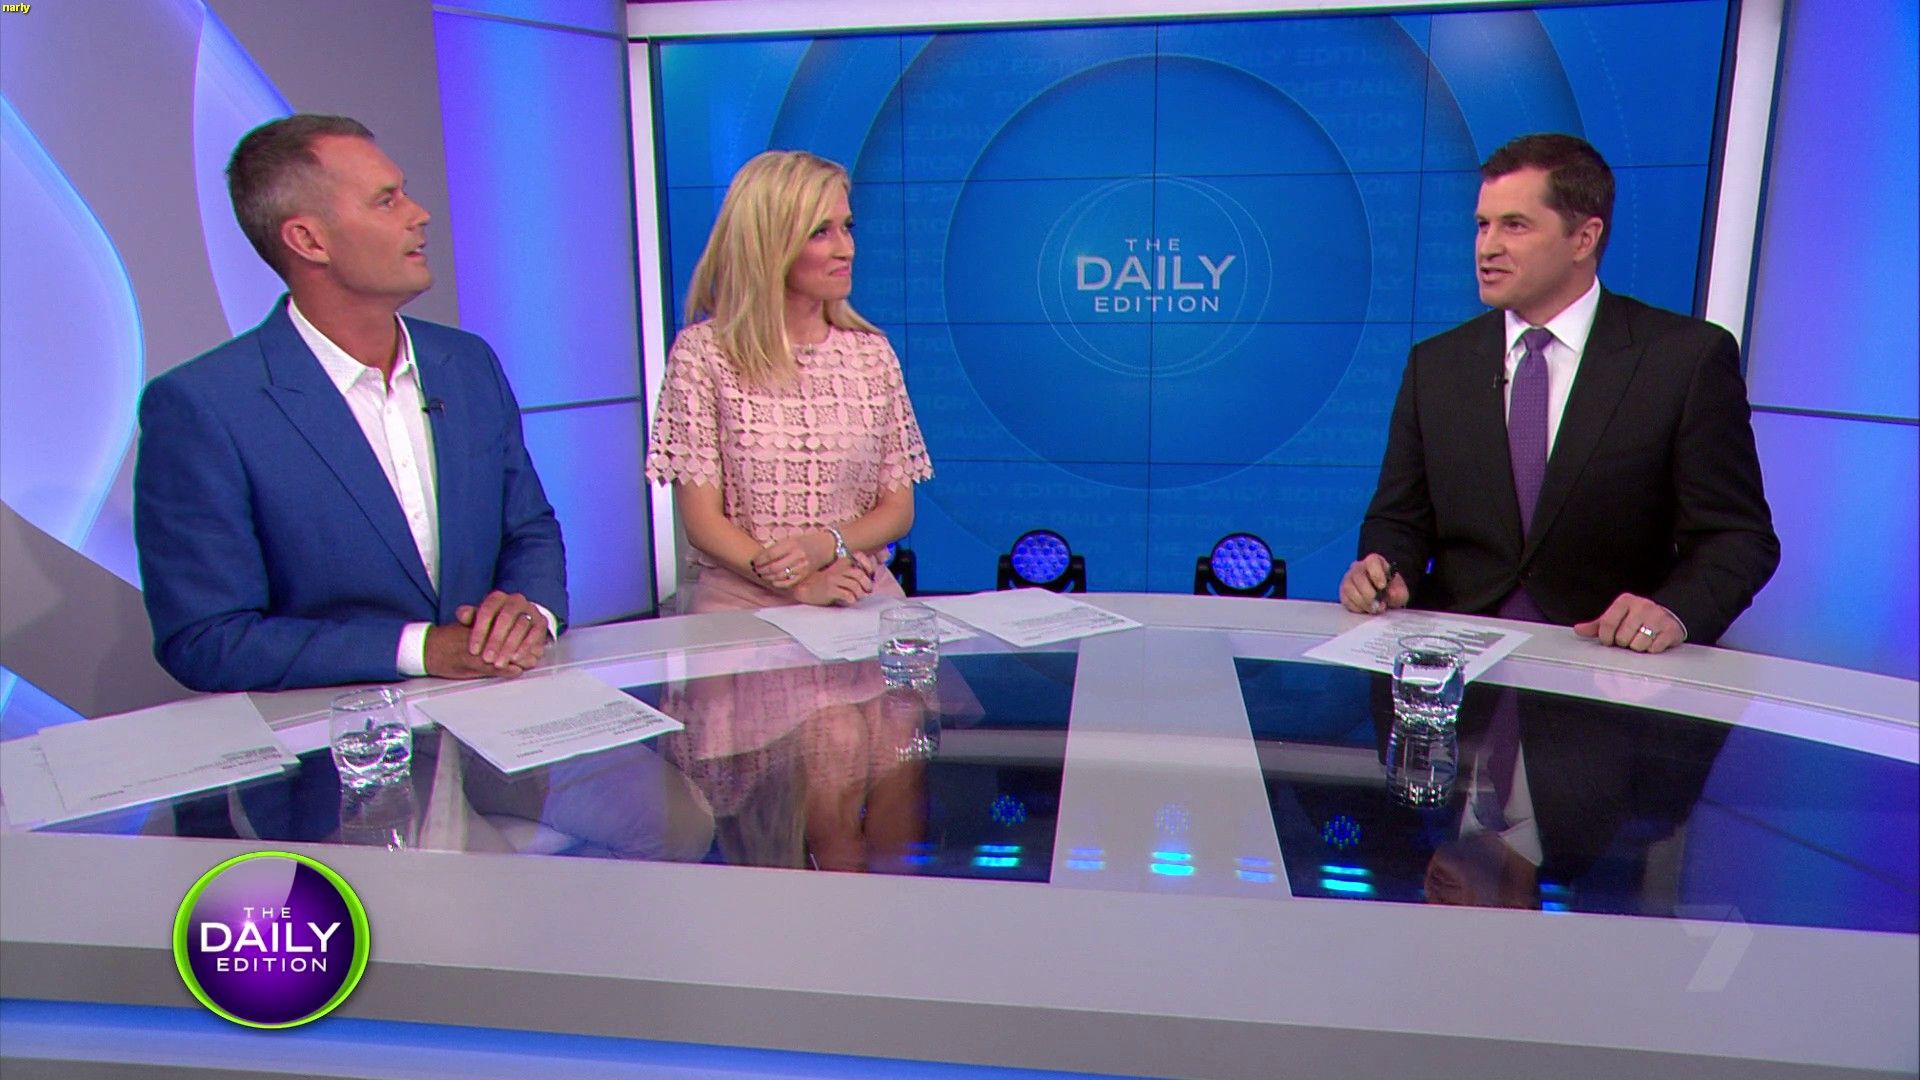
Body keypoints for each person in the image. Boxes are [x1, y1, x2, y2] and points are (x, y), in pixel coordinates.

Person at [134, 115, 567, 692]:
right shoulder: (204, 407)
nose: (420, 214)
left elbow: (529, 527)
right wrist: (421, 649)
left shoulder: (467, 364)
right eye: (386, 201)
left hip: (503, 722)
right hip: (339, 737)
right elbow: (207, 639)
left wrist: (530, 611)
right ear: (309, 241)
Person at [1339, 133, 1778, 652]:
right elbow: (1398, 520)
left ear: (1584, 239)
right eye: (1482, 225)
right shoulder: (1435, 366)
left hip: (1611, 663)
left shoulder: (1683, 361)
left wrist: (1673, 613)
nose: (1487, 247)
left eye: (1515, 225)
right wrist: (1385, 569)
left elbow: (1738, 537)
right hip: (1456, 664)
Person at [645, 149, 931, 612]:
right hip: (742, 602)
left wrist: (827, 544)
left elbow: (897, 510)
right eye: (821, 232)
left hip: (858, 591)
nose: (846, 248)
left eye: (847, 227)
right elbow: (702, 523)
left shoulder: (872, 355)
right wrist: (798, 587)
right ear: (770, 244)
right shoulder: (703, 355)